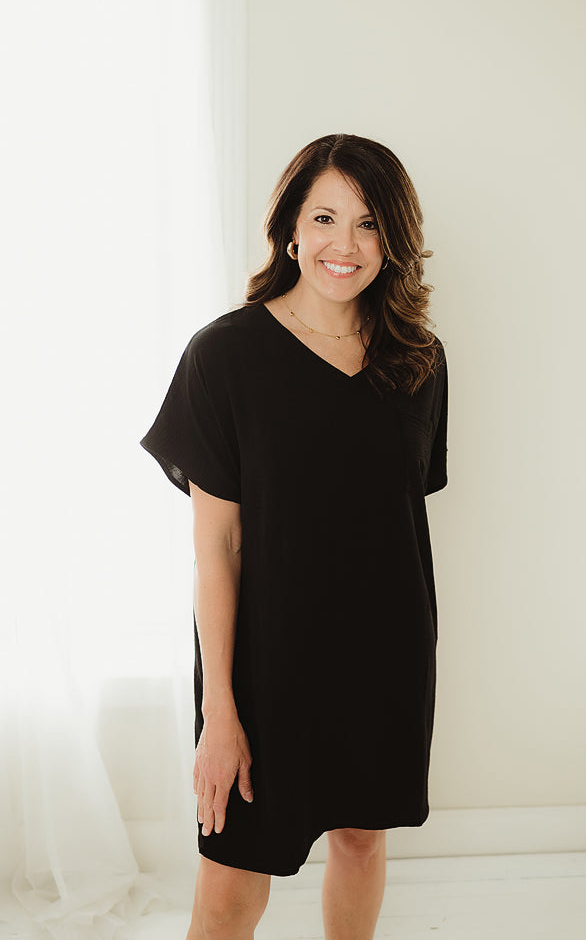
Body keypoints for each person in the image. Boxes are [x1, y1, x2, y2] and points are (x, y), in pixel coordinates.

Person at [140, 133, 448, 940]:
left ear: (394, 238)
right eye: (324, 218)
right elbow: (217, 550)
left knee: (361, 840)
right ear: (290, 231)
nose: (345, 244)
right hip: (265, 665)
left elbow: (385, 524)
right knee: (230, 887)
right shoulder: (224, 356)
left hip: (384, 655)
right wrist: (220, 711)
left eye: (369, 223)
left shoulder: (418, 359)